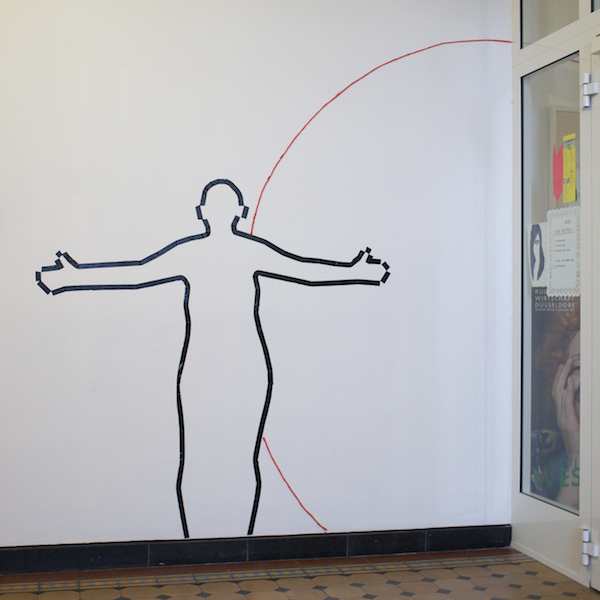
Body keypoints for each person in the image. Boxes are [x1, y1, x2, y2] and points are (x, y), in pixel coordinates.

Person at [36, 178, 390, 538]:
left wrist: (356, 273)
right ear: (218, 212)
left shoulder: (231, 251)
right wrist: (356, 273)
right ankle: (212, 541)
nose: (219, 212)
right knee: (211, 458)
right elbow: (139, 274)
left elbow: (303, 271)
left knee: (224, 458)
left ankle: (228, 541)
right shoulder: (216, 251)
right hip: (208, 369)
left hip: (242, 368)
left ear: (215, 212)